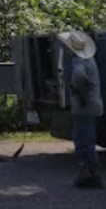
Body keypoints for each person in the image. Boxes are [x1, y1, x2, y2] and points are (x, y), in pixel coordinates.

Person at [58, 30, 103, 188]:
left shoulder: (79, 61)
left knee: (83, 140)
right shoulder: (89, 60)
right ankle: (88, 174)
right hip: (94, 105)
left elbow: (79, 76)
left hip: (85, 107)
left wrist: (75, 88)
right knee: (85, 139)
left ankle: (93, 174)